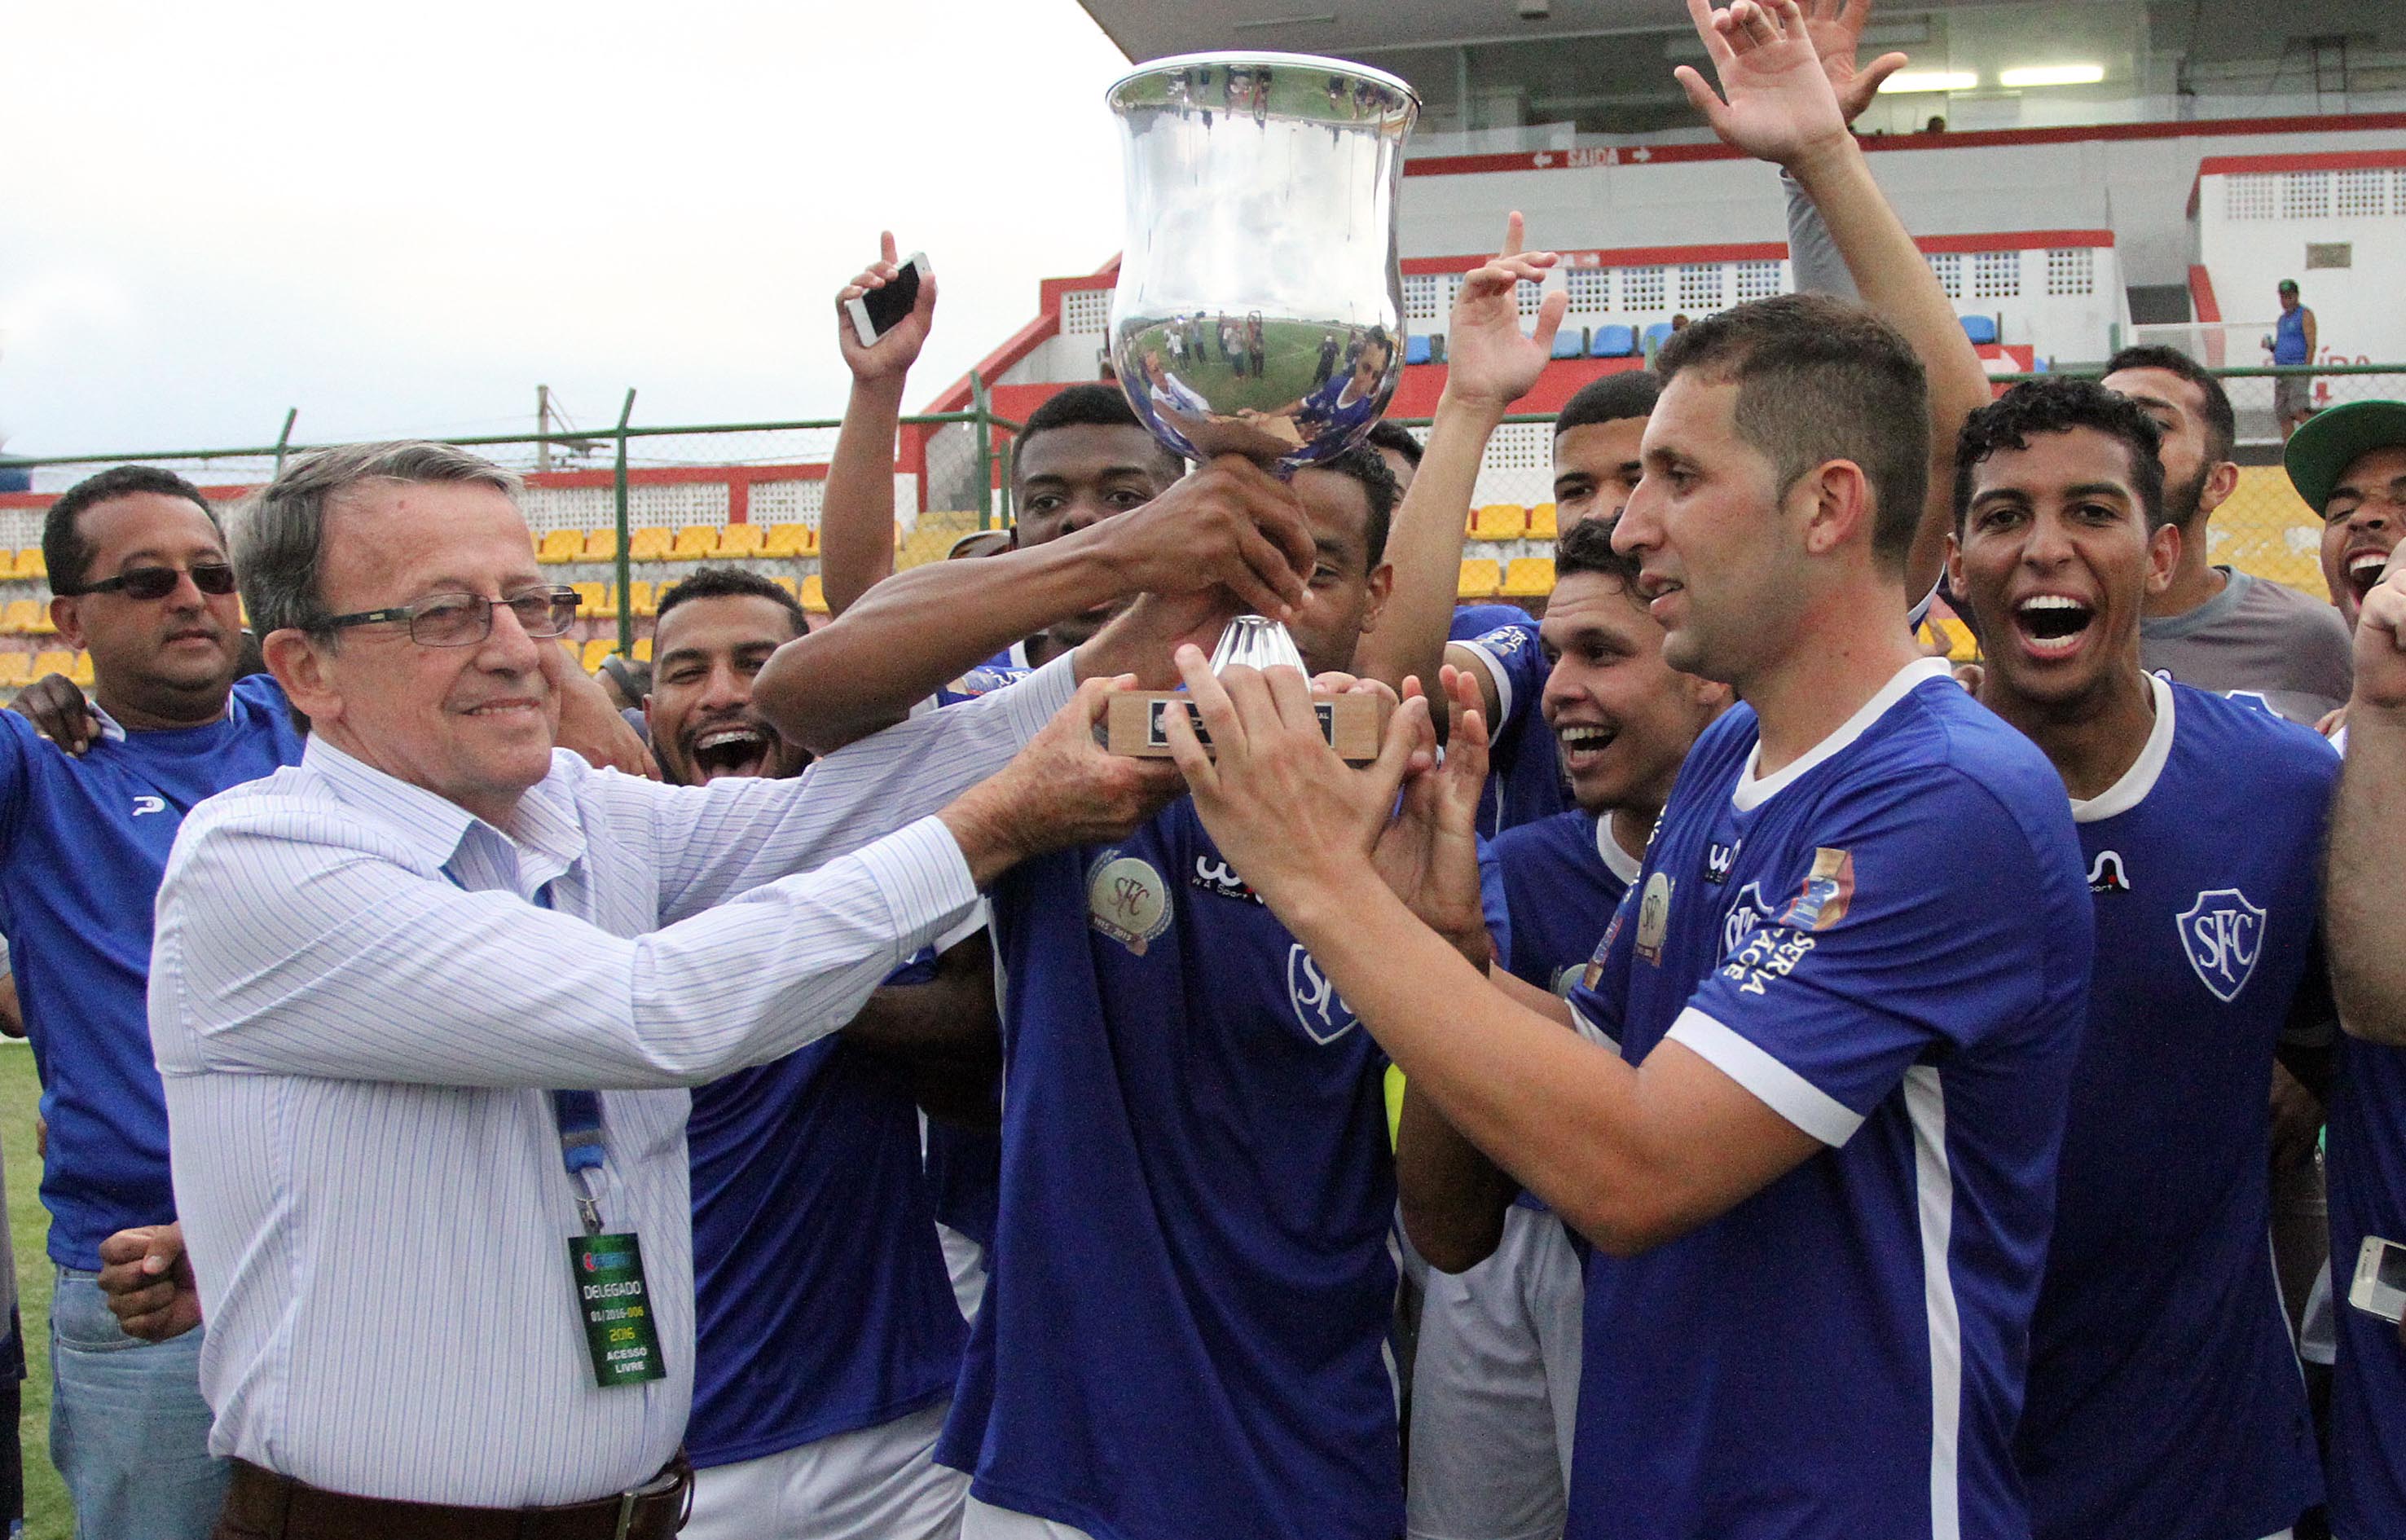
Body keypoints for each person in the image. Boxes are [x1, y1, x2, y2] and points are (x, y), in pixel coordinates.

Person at [1152, 20, 2092, 1540]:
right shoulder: (1733, 754)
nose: (1626, 525)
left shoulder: (1944, 799)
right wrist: (1441, 944)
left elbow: (1634, 1167)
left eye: (1673, 477)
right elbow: (1619, 1063)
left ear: (1824, 510)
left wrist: (1314, 881)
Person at [145, 439, 1190, 1538]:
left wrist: (1139, 642)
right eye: (447, 612)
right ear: (306, 669)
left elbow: (827, 816)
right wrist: (998, 823)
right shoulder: (261, 859)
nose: (518, 651)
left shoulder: (575, 815)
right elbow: (658, 1010)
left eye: (531, 603)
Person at [767, 446, 1421, 1540]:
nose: (1262, 604)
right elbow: (807, 696)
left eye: (1306, 568)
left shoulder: (1401, 785)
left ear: (1377, 596)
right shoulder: (1077, 753)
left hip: (1318, 1426)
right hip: (1073, 1447)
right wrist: (1115, 556)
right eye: (1231, 567)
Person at [1949, 377, 2331, 1540]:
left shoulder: (2283, 790)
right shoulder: (1887, 804)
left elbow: (2352, 1040)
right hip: (1934, 1466)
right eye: (2004, 515)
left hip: (2210, 1474)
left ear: (2162, 553)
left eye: (2092, 512)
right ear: (1954, 563)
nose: (2045, 548)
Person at [642, 565, 997, 1540]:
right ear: (648, 711)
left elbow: (980, 1055)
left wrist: (798, 966)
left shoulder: (897, 858)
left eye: (758, 663)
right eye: (687, 670)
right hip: (675, 1456)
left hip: (903, 1433)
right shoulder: (605, 876)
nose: (722, 691)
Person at [1405, 515, 1730, 1540]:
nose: (1556, 692)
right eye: (1551, 657)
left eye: (1602, 653)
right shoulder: (1515, 865)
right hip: (1511, 1254)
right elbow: (1447, 1217)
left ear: (1705, 673)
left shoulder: (1777, 865)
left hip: (1690, 1271)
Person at [0, 464, 302, 1540]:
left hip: (345, 1239)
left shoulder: (318, 727)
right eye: (146, 581)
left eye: (211, 574)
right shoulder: (35, 757)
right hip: (141, 1274)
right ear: (68, 618)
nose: (191, 597)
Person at [2306, 403, 2406, 1540]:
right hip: (2369, 1291)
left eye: (2401, 498)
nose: (2369, 521)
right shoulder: (2320, 755)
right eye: (2342, 508)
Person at [2094, 345, 2355, 727]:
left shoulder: (2311, 639)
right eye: (2099, 426)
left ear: (2218, 483)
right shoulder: (2039, 625)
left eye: (2151, 426)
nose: (2115, 445)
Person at [2268, 280, 2317, 439]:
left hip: (2297, 369)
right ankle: (2288, 453)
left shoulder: (2305, 315)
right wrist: (2271, 347)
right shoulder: (2282, 320)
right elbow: (2283, 345)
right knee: (2283, 415)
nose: (2286, 301)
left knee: (2299, 410)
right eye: (2283, 297)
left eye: (2289, 297)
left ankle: (2317, 440)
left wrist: (2306, 371)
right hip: (2281, 372)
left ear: (2296, 296)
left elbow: (2311, 344)